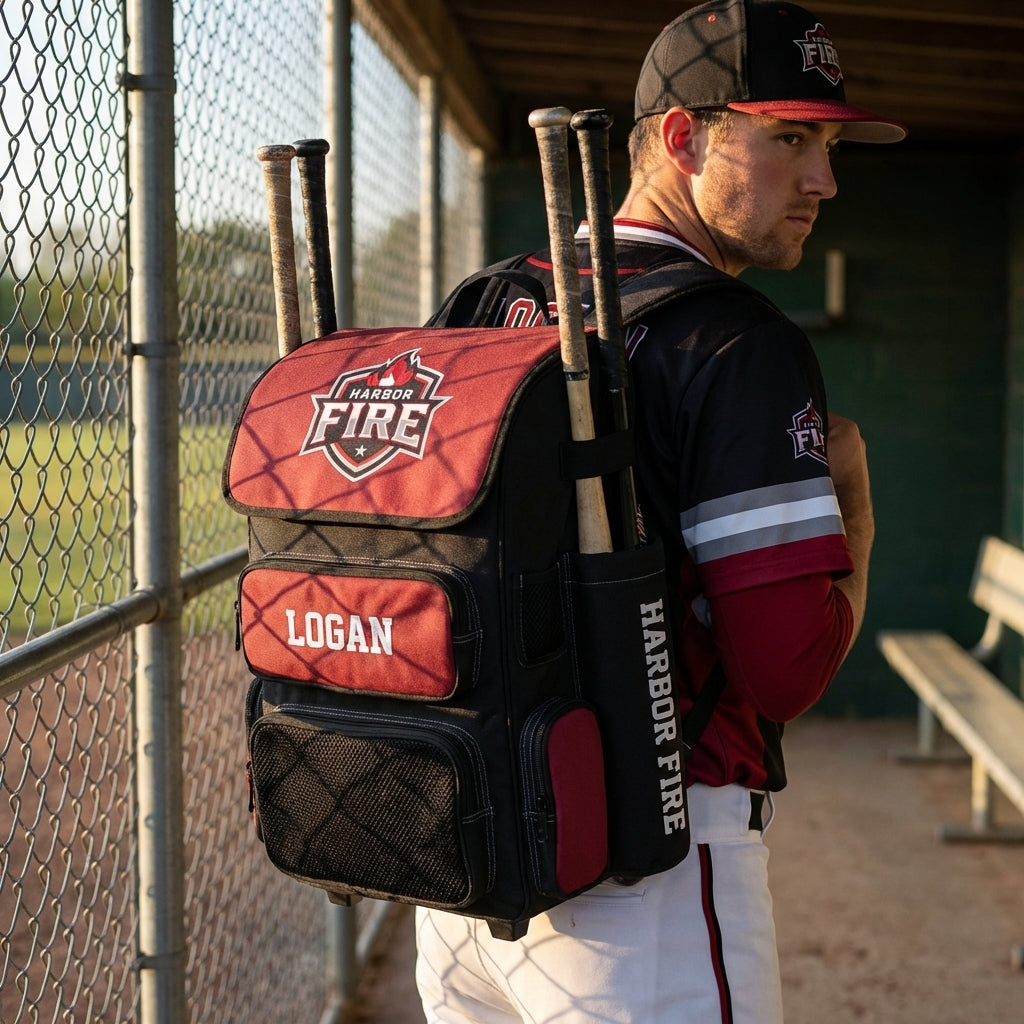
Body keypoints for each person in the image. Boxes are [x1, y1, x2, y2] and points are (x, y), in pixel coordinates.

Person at [415, 2, 905, 1021]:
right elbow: (787, 668)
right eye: (788, 138)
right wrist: (849, 500)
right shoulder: (735, 343)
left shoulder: (484, 297)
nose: (823, 179)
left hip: (459, 850)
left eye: (826, 144)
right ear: (682, 136)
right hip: (645, 875)